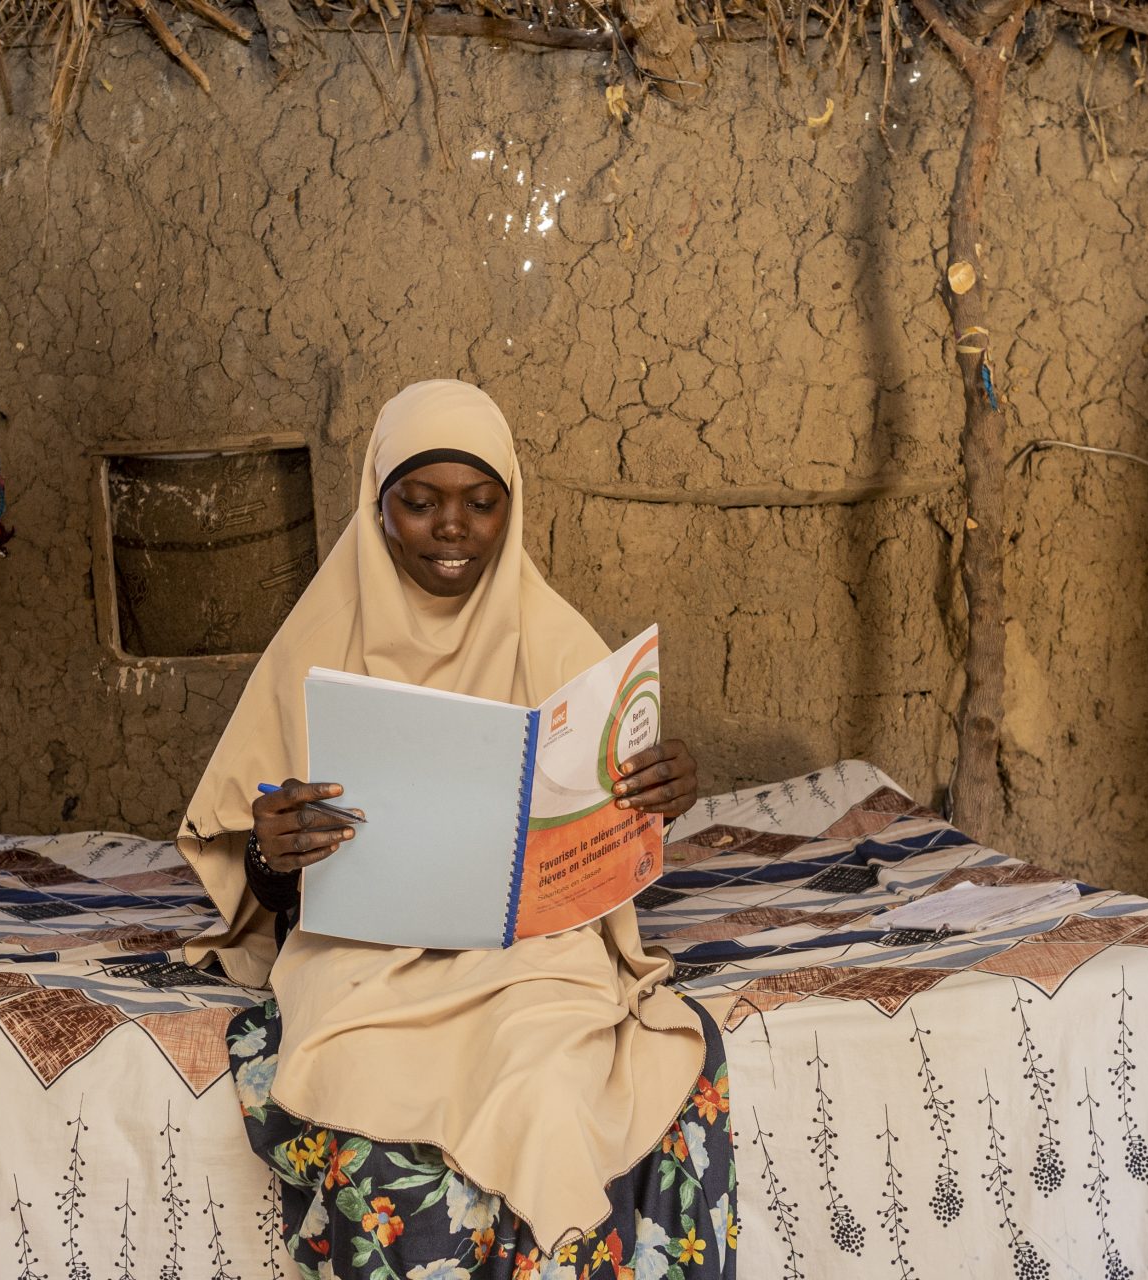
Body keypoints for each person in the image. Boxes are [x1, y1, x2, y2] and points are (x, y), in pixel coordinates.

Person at [180, 380, 736, 1280]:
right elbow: (261, 872)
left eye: (481, 504)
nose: (452, 526)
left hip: (532, 951)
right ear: (378, 503)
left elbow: (605, 842)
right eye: (421, 501)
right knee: (365, 1088)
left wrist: (652, 796)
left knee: (563, 1079)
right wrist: (267, 852)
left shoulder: (553, 636)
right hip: (365, 953)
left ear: (510, 509)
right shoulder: (317, 640)